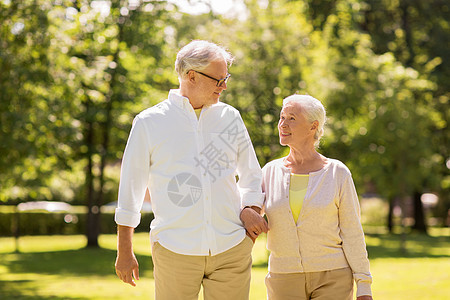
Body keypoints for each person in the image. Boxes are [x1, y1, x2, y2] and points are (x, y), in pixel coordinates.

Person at [114, 40, 268, 300]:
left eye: (226, 78)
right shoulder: (149, 123)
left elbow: (252, 175)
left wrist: (251, 209)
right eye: (219, 80)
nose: (225, 86)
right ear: (191, 76)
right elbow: (131, 189)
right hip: (175, 250)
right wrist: (124, 251)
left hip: (231, 248)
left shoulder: (230, 117)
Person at [261, 94, 373, 300]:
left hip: (333, 277)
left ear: (313, 127)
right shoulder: (269, 172)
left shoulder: (337, 173)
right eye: (282, 117)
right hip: (283, 278)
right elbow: (247, 215)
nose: (282, 124)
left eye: (292, 118)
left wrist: (364, 285)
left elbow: (352, 231)